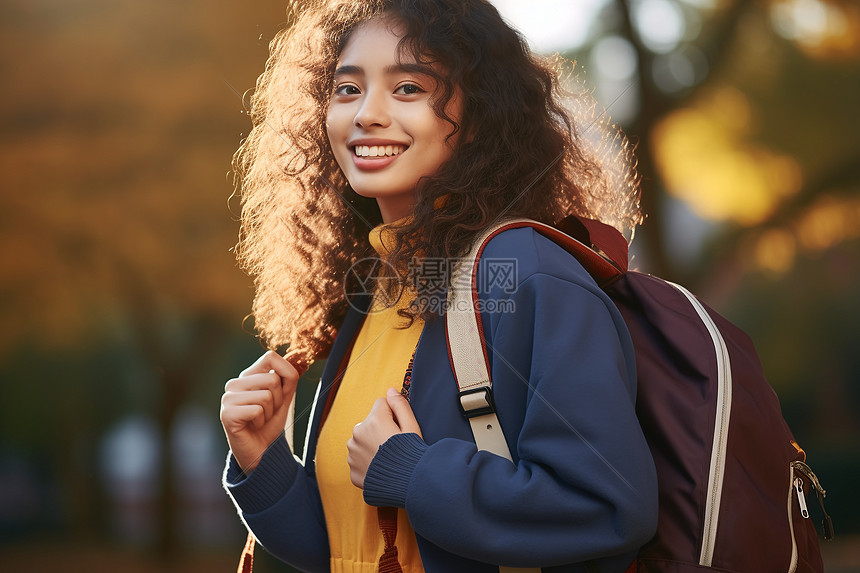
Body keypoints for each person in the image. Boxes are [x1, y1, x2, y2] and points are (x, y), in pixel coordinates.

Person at [220, 1, 658, 571]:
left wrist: (413, 472)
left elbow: (608, 505)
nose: (367, 114)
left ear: (478, 114)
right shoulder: (373, 286)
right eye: (347, 89)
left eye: (408, 87)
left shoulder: (525, 273)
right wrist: (263, 460)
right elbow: (352, 550)